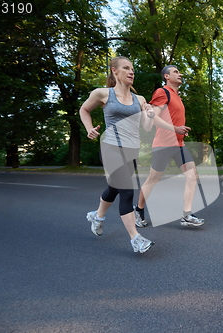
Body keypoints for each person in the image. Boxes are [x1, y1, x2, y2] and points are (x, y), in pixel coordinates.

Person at [79, 56, 155, 254]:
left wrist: (150, 114)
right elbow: (84, 110)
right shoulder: (103, 94)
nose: (131, 72)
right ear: (115, 71)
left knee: (114, 189)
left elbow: (146, 127)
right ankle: (135, 238)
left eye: (132, 69)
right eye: (126, 68)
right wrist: (89, 129)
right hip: (110, 147)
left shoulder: (140, 100)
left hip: (131, 150)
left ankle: (97, 216)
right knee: (127, 191)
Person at [133, 65, 205, 227]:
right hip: (163, 145)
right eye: (175, 72)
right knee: (153, 179)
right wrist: (175, 128)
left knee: (192, 175)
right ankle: (138, 209)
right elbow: (153, 118)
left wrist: (179, 132)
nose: (180, 74)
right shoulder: (162, 92)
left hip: (179, 144)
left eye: (179, 71)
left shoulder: (177, 96)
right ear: (166, 76)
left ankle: (187, 215)